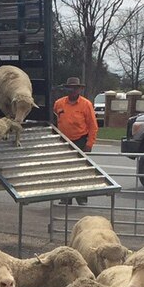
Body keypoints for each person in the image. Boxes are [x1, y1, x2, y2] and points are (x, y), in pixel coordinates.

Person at [53, 76, 98, 204]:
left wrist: (89, 143)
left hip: (80, 140)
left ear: (79, 90)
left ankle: (82, 197)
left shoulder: (86, 104)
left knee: (81, 171)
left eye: (75, 88)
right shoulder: (59, 103)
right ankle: (66, 198)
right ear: (67, 89)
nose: (72, 90)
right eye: (70, 88)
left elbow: (93, 126)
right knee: (65, 170)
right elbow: (54, 121)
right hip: (64, 141)